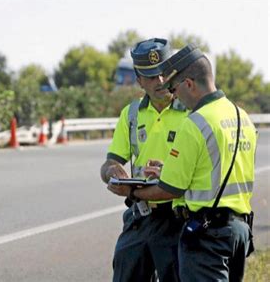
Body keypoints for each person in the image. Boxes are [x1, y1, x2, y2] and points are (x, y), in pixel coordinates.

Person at [108, 44, 257, 282]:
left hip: (200, 228)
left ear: (187, 83)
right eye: (150, 76)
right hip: (236, 230)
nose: (169, 90)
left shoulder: (196, 120)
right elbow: (214, 168)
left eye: (171, 84)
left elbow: (171, 188)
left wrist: (132, 191)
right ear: (139, 81)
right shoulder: (241, 116)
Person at [100, 38, 188, 282]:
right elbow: (109, 164)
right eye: (150, 76)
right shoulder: (131, 114)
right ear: (139, 81)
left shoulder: (193, 112)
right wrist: (114, 174)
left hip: (179, 218)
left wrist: (169, 171)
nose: (159, 81)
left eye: (163, 73)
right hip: (141, 216)